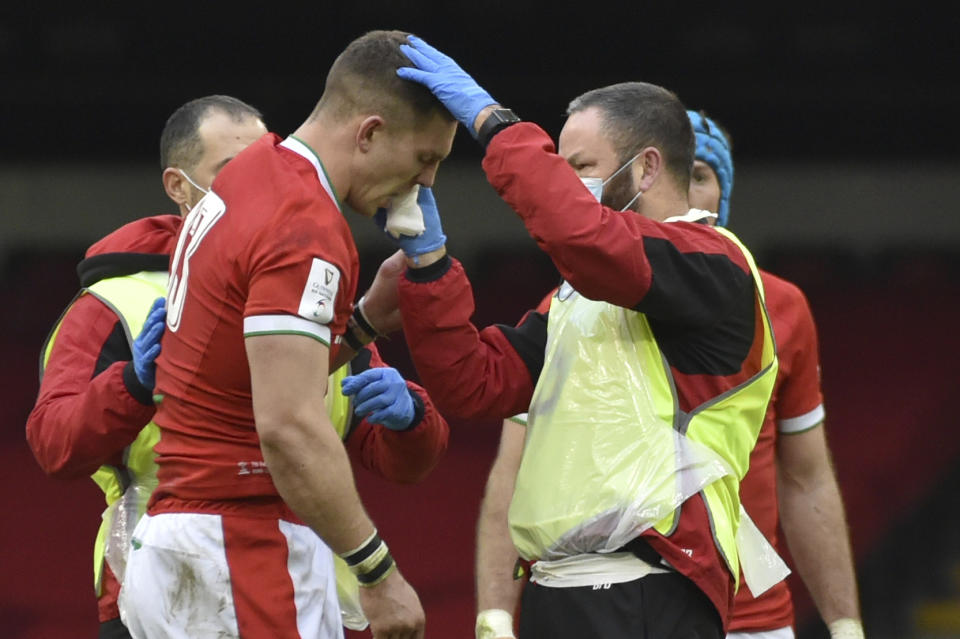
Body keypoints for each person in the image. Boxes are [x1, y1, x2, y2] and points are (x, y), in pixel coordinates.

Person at [364, 36, 780, 638]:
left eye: (578, 167)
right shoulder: (575, 300)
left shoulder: (716, 263)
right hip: (557, 591)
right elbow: (474, 385)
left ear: (647, 167)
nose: (563, 182)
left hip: (651, 589)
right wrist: (429, 264)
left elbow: (581, 235)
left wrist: (493, 123)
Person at [26, 93, 449, 639]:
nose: (257, 182)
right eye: (231, 170)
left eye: (262, 163)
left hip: (300, 577)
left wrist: (410, 419)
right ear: (179, 187)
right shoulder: (112, 304)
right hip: (161, 581)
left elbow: (403, 462)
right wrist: (132, 385)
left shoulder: (298, 275)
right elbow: (52, 446)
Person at [686, 110, 864, 639]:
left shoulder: (781, 307)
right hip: (619, 612)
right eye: (669, 176)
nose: (684, 193)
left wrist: (845, 624)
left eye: (699, 174)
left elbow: (806, 478)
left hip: (753, 622)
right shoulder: (575, 307)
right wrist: (497, 617)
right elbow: (520, 474)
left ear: (724, 194)